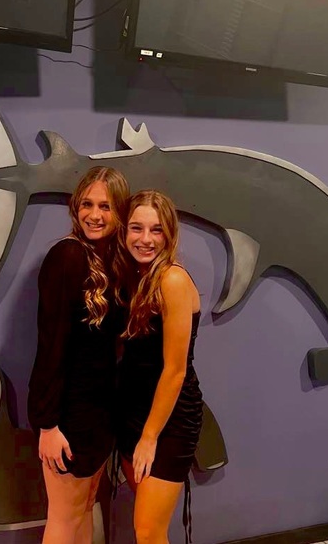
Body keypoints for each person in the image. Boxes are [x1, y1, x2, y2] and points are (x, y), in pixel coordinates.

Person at [27, 166, 129, 544]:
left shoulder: (113, 262)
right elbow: (50, 344)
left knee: (86, 508)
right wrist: (48, 425)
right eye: (87, 204)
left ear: (120, 212)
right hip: (68, 418)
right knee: (64, 518)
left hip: (99, 414)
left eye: (105, 206)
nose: (94, 215)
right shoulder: (67, 256)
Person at [115, 190, 203, 544]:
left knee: (149, 531)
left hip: (169, 421)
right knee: (147, 524)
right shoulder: (135, 276)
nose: (146, 239)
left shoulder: (172, 280)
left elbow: (175, 370)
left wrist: (150, 437)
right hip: (133, 412)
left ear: (169, 234)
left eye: (156, 230)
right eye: (137, 228)